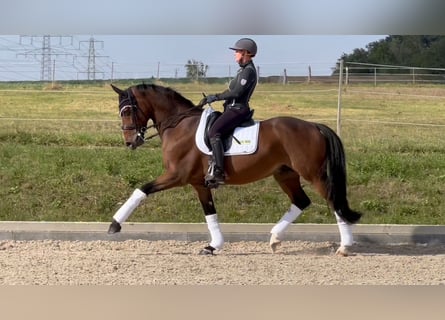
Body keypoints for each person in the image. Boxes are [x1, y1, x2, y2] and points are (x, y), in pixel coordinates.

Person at [199, 38, 258, 188]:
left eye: (237, 51)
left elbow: (237, 93)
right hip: (231, 108)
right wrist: (212, 97)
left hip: (238, 109)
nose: (235, 54)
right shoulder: (242, 71)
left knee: (214, 132)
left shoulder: (248, 72)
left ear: (246, 53)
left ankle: (218, 171)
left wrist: (217, 97)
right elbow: (230, 91)